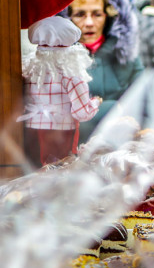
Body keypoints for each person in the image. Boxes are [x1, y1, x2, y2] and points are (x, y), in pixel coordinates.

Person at [63, 0, 144, 144]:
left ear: (108, 16)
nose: (89, 23)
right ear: (68, 18)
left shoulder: (126, 54)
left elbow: (144, 100)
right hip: (74, 148)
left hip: (122, 146)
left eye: (97, 14)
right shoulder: (59, 59)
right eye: (80, 14)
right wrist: (113, 108)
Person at [17, 16, 100, 166]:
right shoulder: (72, 76)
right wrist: (95, 103)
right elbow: (81, 113)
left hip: (30, 128)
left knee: (32, 168)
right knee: (60, 168)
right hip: (61, 131)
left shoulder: (29, 70)